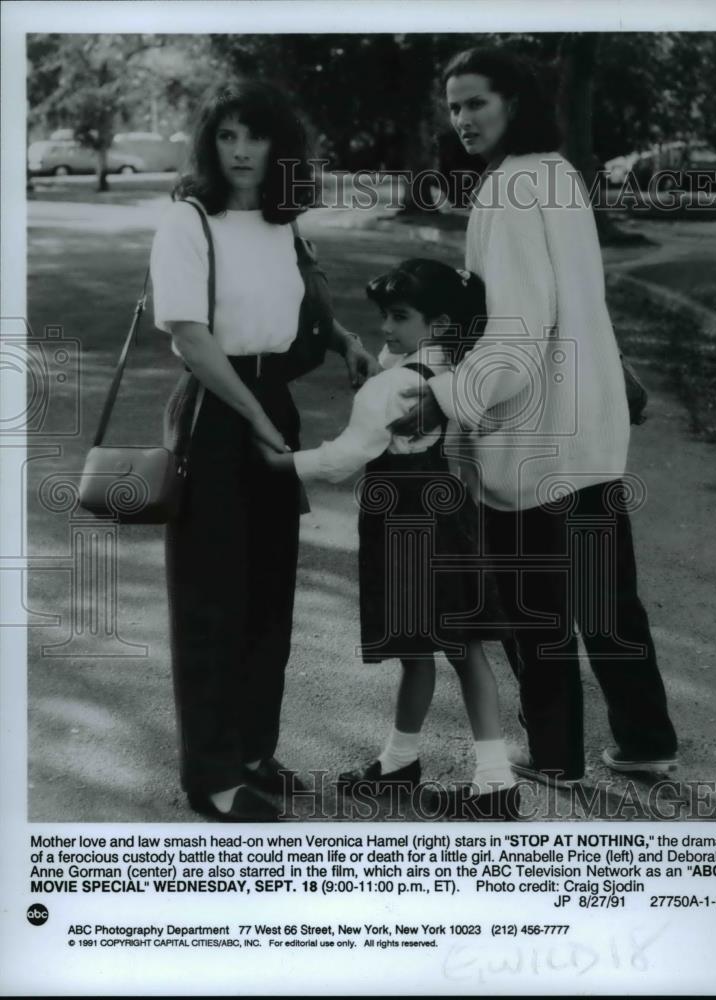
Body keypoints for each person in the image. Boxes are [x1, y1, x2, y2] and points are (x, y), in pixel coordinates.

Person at [390, 47, 678, 787]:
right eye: (453, 106)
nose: (461, 119)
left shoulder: (508, 188)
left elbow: (516, 331)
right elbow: (577, 304)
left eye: (476, 102)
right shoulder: (557, 173)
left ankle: (554, 756)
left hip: (533, 436)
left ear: (515, 101)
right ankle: (645, 741)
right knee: (608, 598)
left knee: (534, 608)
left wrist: (447, 396)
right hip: (589, 429)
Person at [149, 80, 378, 821]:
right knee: (213, 599)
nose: (242, 150)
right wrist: (255, 419)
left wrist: (344, 342)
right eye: (226, 136)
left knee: (268, 590)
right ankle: (211, 775)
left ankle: (252, 749)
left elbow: (299, 304)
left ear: (281, 147)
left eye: (256, 136)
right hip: (218, 411)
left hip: (269, 405)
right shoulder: (189, 221)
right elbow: (189, 335)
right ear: (209, 146)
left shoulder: (284, 222)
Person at [266, 259, 518, 820]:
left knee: (447, 647)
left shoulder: (393, 385)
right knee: (431, 647)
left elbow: (345, 458)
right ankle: (401, 761)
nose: (386, 327)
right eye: (384, 315)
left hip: (408, 522)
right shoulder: (447, 373)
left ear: (440, 323)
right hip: (442, 514)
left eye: (400, 317)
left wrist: (279, 462)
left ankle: (496, 781)